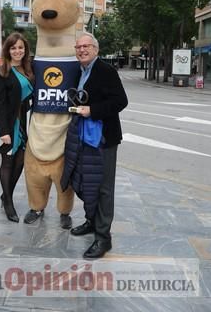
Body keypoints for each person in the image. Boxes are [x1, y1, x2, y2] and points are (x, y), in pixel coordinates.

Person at [62, 32, 128, 259]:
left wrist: (93, 110)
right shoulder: (79, 71)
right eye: (78, 47)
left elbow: (121, 101)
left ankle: (103, 238)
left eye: (86, 46)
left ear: (96, 49)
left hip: (103, 139)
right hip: (83, 136)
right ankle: (91, 221)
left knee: (103, 187)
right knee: (85, 180)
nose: (82, 50)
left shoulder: (106, 71)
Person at [0, 32, 34, 223]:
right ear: (7, 50)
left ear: (25, 49)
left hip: (25, 123)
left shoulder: (29, 69)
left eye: (20, 47)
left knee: (20, 162)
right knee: (8, 163)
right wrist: (4, 132)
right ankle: (8, 201)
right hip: (9, 124)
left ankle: (5, 194)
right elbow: (0, 103)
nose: (17, 51)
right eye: (13, 47)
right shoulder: (1, 72)